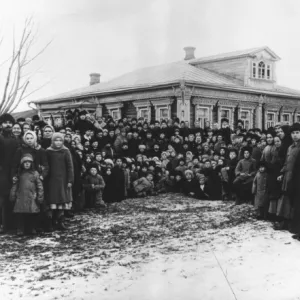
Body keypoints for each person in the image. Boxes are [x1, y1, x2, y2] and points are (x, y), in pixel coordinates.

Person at [45, 133, 74, 231]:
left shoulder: (65, 151)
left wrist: (70, 180)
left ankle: (60, 220)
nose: (58, 142)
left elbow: (70, 167)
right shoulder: (48, 151)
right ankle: (51, 221)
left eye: (60, 140)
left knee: (62, 199)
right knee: (52, 200)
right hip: (52, 179)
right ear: (52, 141)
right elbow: (46, 165)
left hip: (63, 179)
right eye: (56, 140)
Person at [10, 154, 44, 235]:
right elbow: (15, 185)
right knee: (20, 214)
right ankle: (20, 229)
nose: (27, 164)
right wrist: (12, 195)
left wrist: (40, 197)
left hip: (31, 197)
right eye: (25, 162)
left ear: (32, 164)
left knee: (32, 214)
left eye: (29, 162)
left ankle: (32, 228)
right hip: (20, 197)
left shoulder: (35, 173)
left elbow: (40, 186)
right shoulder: (19, 174)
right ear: (22, 164)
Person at [0, 113, 20, 233]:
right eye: (5, 122)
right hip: (2, 172)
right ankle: (2, 224)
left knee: (11, 198)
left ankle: (11, 224)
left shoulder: (15, 139)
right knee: (2, 199)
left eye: (10, 123)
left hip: (13, 171)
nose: (8, 125)